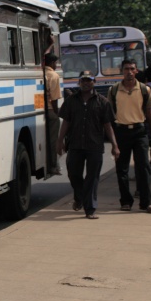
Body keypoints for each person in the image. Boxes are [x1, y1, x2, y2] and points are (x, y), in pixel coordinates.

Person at [58, 70, 119, 219]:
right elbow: (66, 121)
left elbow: (108, 125)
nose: (86, 83)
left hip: (95, 145)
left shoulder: (103, 102)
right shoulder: (71, 101)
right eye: (83, 80)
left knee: (92, 178)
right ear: (79, 82)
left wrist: (115, 145)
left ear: (94, 82)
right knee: (73, 174)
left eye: (89, 80)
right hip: (75, 144)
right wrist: (59, 141)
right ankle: (79, 198)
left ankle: (90, 209)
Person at [109, 59, 151, 213]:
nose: (129, 72)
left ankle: (146, 202)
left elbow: (150, 114)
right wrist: (113, 141)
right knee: (121, 168)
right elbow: (109, 116)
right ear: (121, 71)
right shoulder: (114, 90)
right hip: (121, 132)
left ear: (136, 71)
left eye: (132, 69)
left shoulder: (144, 90)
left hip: (140, 132)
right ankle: (126, 201)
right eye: (126, 69)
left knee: (143, 167)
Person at [44, 53, 63, 176]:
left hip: (41, 110)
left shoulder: (41, 73)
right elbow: (55, 99)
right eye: (55, 63)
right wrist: (57, 113)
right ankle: (53, 165)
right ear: (52, 63)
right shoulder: (53, 75)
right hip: (51, 110)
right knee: (53, 140)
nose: (56, 65)